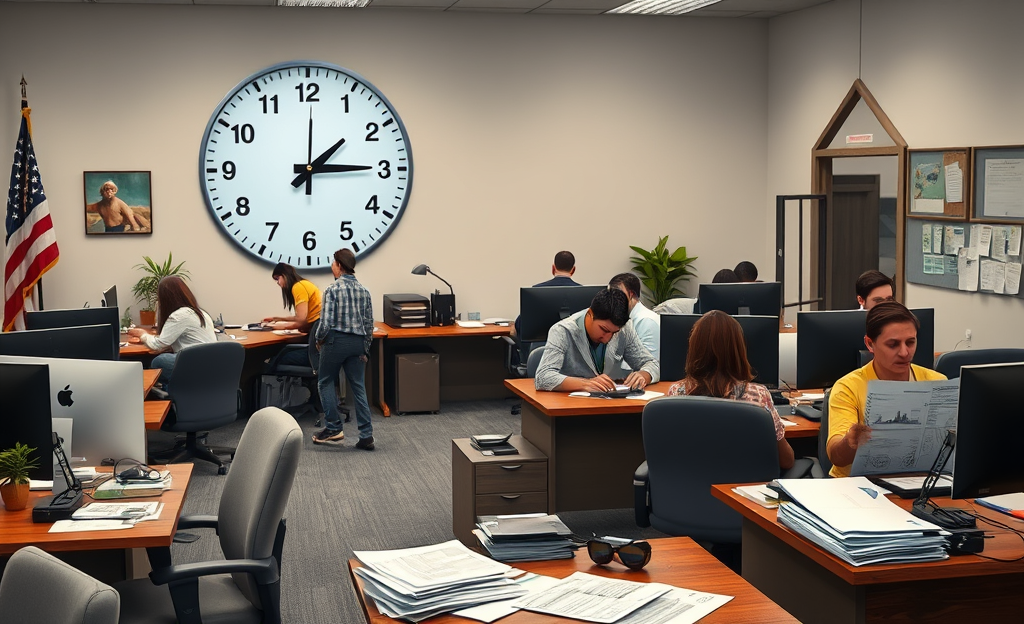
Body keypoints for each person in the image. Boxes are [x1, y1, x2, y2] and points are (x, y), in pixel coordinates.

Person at [826, 301, 945, 477]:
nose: (905, 353)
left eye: (910, 342)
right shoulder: (848, 387)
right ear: (870, 343)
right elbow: (836, 456)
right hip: (858, 487)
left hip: (919, 482)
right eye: (893, 344)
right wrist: (850, 441)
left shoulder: (937, 382)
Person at [667, 311, 795, 470]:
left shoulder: (676, 393)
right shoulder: (758, 396)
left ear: (693, 348)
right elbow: (786, 461)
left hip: (691, 489)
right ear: (738, 350)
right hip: (741, 492)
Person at [535, 288, 659, 392]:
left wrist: (644, 375)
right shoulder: (562, 330)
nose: (607, 338)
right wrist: (585, 384)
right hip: (571, 408)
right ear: (590, 314)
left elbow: (652, 363)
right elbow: (543, 377)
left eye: (614, 332)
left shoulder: (625, 328)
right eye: (604, 329)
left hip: (612, 405)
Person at [312, 248, 375, 449]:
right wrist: (365, 349)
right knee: (358, 386)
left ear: (338, 265)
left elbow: (326, 323)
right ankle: (366, 436)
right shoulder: (364, 291)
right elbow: (368, 324)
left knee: (325, 381)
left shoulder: (331, 290)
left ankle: (333, 428)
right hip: (357, 343)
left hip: (335, 342)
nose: (332, 266)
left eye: (333, 263)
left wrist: (318, 339)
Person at [126, 276, 216, 388]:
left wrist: (142, 335)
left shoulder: (179, 315)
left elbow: (158, 344)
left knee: (158, 362)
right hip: (209, 365)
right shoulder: (200, 313)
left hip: (194, 365)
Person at [263, 263, 322, 367]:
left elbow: (301, 320)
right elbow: (302, 317)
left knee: (278, 358)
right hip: (318, 336)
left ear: (284, 275)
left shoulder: (298, 287)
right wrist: (278, 318)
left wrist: (277, 327)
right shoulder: (304, 283)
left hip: (315, 349)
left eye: (277, 278)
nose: (277, 283)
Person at [512, 251, 581, 339]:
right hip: (572, 350)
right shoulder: (583, 294)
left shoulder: (536, 292)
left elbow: (519, 327)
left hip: (540, 350)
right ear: (573, 270)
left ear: (553, 268)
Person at [608, 272, 660, 373]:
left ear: (631, 294)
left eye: (618, 294)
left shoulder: (647, 320)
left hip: (643, 380)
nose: (614, 299)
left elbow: (648, 363)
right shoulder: (623, 318)